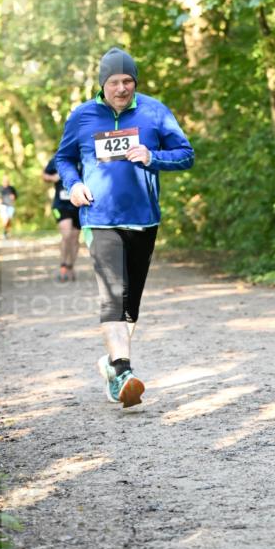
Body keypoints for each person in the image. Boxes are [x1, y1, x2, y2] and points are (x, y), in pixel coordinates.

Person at [55, 47, 194, 407]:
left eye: (128, 81)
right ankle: (123, 370)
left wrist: (153, 157)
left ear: (135, 82)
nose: (121, 88)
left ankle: (113, 367)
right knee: (112, 296)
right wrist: (74, 184)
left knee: (130, 304)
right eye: (114, 82)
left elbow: (186, 154)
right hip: (99, 217)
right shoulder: (82, 116)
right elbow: (64, 158)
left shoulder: (154, 111)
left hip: (143, 218)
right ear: (102, 84)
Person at [43, 156, 81, 281]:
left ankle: (71, 266)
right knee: (67, 234)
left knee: (75, 238)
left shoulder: (83, 157)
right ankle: (63, 266)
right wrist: (53, 177)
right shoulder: (57, 158)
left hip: (78, 205)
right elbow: (44, 175)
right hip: (61, 205)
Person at [0, 175, 17, 239]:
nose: (6, 182)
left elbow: (15, 196)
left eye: (7, 180)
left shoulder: (12, 188)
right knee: (5, 219)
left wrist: (13, 197)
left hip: (10, 205)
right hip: (3, 205)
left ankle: (7, 232)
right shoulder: (0, 188)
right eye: (4, 180)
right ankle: (4, 233)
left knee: (9, 220)